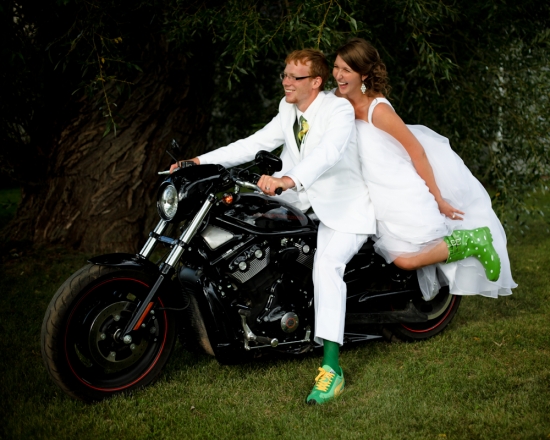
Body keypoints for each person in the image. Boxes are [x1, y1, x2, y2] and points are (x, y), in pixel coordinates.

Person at [170, 49, 377, 404]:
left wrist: (288, 179)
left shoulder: (337, 110)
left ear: (316, 82)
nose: (286, 82)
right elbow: (254, 143)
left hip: (344, 210)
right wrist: (198, 162)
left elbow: (328, 152)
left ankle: (332, 370)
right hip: (302, 203)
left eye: (295, 77)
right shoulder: (288, 110)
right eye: (284, 75)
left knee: (328, 267)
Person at [332, 38, 516, 299]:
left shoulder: (379, 111)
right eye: (336, 67)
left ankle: (475, 240)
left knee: (405, 260)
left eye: (346, 70)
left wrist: (438, 198)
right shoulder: (337, 100)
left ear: (363, 74)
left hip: (399, 190)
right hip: (371, 191)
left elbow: (416, 152)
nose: (338, 75)